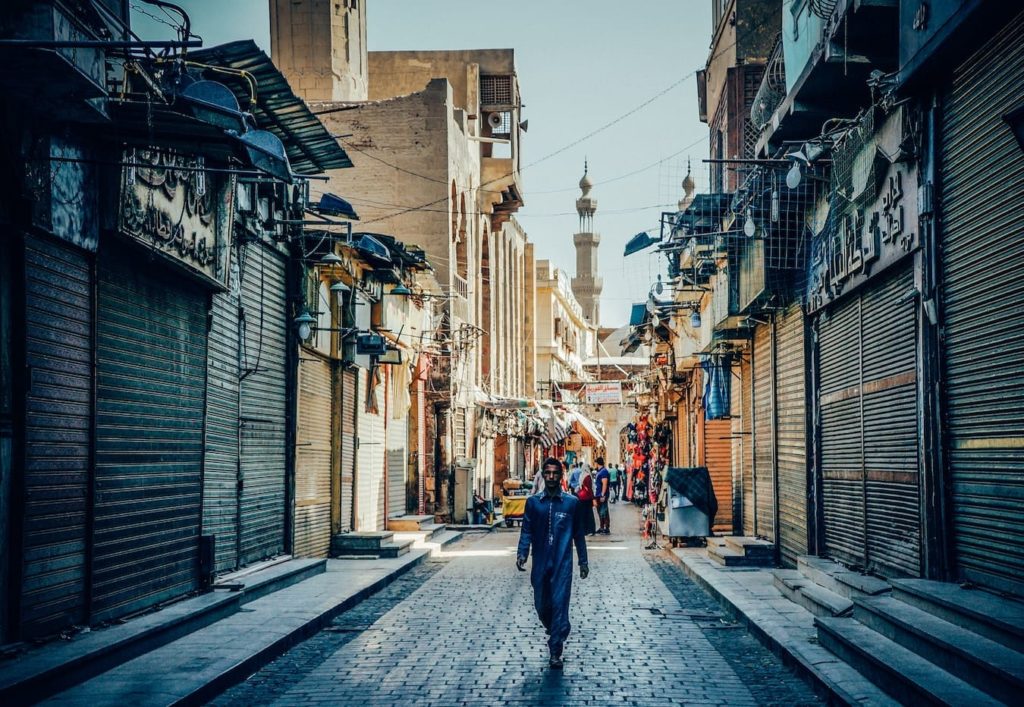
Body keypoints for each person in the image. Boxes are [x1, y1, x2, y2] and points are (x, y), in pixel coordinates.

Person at [516, 458, 589, 669]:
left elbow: (579, 535)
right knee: (541, 605)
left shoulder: (571, 503)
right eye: (547, 473)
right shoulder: (533, 503)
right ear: (542, 474)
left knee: (559, 605)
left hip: (562, 565)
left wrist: (583, 561)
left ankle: (555, 650)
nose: (551, 477)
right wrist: (522, 553)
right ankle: (559, 627)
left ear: (561, 476)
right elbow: (527, 530)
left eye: (555, 473)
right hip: (540, 563)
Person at [576, 463, 596, 536]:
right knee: (589, 514)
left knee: (583, 514)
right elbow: (589, 489)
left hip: (581, 497)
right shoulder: (587, 476)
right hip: (587, 498)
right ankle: (590, 530)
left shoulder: (581, 475)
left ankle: (584, 530)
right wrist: (593, 498)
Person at [593, 457, 611, 534]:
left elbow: (604, 484)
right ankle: (601, 527)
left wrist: (603, 495)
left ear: (597, 463)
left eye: (595, 463)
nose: (594, 464)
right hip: (598, 494)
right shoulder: (600, 471)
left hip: (601, 494)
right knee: (600, 511)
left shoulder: (604, 471)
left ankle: (606, 528)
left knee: (604, 511)